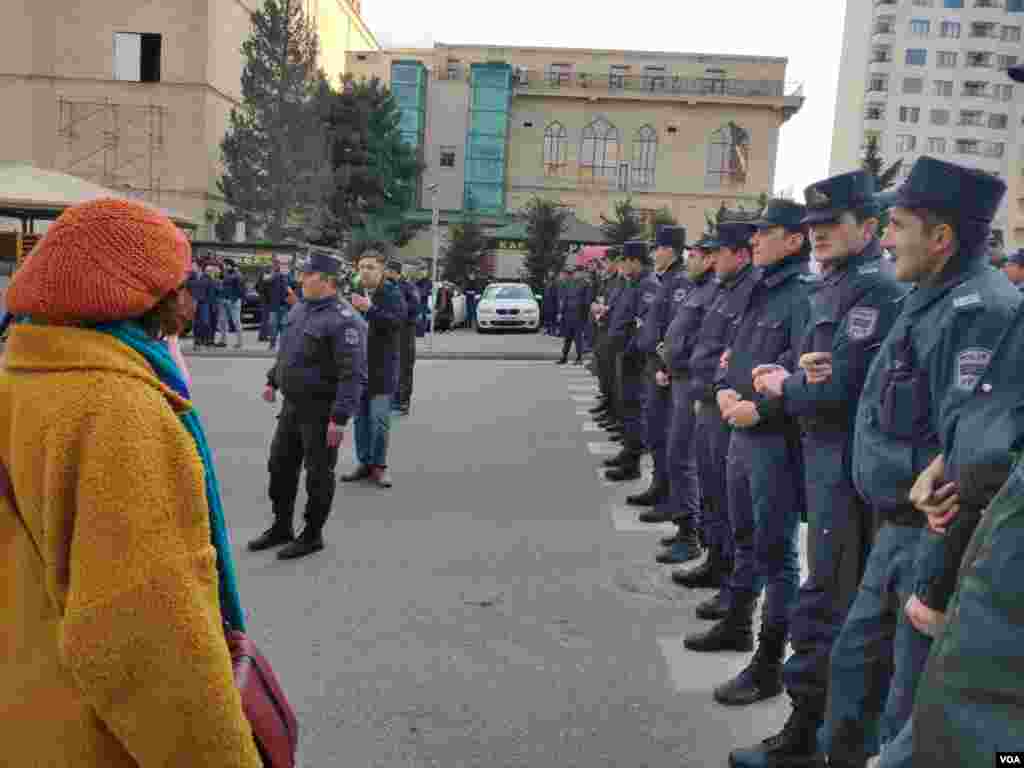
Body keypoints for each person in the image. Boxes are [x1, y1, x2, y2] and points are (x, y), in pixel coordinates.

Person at [0, 198, 262, 767]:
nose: (190, 298)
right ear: (147, 296)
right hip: (93, 737)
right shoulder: (115, 411)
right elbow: (150, 634)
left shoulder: (22, 379)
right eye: (180, 282)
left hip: (25, 709)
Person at [819, 156, 1020, 768]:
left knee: (906, 705)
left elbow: (972, 460)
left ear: (941, 238)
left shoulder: (981, 311)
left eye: (898, 224)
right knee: (854, 673)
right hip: (893, 535)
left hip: (929, 542)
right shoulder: (927, 297)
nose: (885, 238)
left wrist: (936, 575)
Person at [731, 176, 906, 766]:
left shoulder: (876, 290)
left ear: (870, 227)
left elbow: (842, 388)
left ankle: (810, 735)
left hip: (846, 469)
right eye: (812, 227)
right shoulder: (833, 286)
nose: (819, 234)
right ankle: (812, 727)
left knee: (830, 603)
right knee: (823, 596)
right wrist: (793, 375)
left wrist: (786, 386)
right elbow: (817, 367)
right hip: (821, 460)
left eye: (832, 224)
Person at [688, 202, 814, 713]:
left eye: (768, 233)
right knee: (744, 533)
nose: (757, 240)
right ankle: (738, 622)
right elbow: (732, 353)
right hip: (739, 428)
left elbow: (797, 368)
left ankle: (768, 661)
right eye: (756, 233)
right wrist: (722, 389)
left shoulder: (801, 295)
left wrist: (756, 409)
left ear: (794, 241)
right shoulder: (761, 289)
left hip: (773, 439)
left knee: (775, 551)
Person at [251, 251, 368, 560]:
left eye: (308, 274)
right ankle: (281, 526)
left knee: (318, 474)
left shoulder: (346, 321)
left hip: (322, 411)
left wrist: (340, 418)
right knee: (280, 466)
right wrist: (272, 380)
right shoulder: (301, 309)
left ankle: (312, 534)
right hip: (292, 406)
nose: (300, 279)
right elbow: (288, 353)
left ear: (327, 281)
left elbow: (352, 375)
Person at [672, 223, 758, 613]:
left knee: (728, 498)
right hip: (707, 399)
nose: (712, 258)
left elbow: (732, 351)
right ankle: (715, 561)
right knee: (710, 486)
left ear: (741, 254)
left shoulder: (749, 290)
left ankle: (730, 581)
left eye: (720, 252)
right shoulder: (725, 290)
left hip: (726, 405)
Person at [656, 236, 720, 565]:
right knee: (678, 456)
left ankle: (690, 534)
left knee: (685, 459)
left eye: (693, 256)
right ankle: (689, 528)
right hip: (681, 379)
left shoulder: (712, 292)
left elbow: (705, 343)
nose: (688, 261)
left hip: (694, 384)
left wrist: (677, 360)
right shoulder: (698, 288)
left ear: (709, 259)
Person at [631, 226, 693, 531]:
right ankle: (659, 485)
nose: (654, 253)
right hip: (654, 365)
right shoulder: (665, 279)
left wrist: (665, 365)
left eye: (659, 247)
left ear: (672, 250)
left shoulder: (680, 281)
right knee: (654, 430)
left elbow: (676, 331)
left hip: (664, 370)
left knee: (668, 436)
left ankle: (669, 495)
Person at [341, 249, 406, 489]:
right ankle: (364, 463)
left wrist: (370, 309)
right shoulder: (354, 292)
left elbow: (397, 323)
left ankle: (379, 466)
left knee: (379, 420)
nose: (365, 271)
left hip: (383, 369)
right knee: (360, 420)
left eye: (370, 267)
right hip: (358, 368)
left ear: (381, 270)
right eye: (361, 267)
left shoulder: (392, 292)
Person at [388, 259, 420, 415]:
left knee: (405, 365)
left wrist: (400, 311)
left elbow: (415, 308)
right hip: (394, 331)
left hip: (406, 331)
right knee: (394, 366)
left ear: (394, 271)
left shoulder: (407, 287)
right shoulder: (390, 286)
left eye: (387, 271)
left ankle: (403, 402)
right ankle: (394, 399)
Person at [557, 266, 593, 365]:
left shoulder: (586, 284)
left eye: (578, 272)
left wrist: (585, 316)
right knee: (567, 337)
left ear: (582, 273)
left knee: (578, 338)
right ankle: (564, 356)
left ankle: (579, 358)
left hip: (579, 314)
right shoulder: (569, 283)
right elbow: (565, 299)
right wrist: (561, 312)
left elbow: (587, 301)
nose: (576, 274)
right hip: (568, 314)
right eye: (575, 272)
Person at [265, 257, 293, 351]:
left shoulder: (283, 275)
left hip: (281, 305)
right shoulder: (278, 275)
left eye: (275, 264)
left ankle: (279, 345)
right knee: (278, 326)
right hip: (277, 305)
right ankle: (276, 345)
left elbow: (291, 288)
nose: (274, 266)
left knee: (279, 326)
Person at [217, 258, 245, 348]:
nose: (223, 266)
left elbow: (241, 289)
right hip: (224, 300)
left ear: (229, 265)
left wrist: (234, 299)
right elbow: (221, 285)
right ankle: (223, 340)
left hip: (233, 301)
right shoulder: (224, 273)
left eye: (224, 264)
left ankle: (240, 342)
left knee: (236, 321)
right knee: (222, 321)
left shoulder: (238, 274)